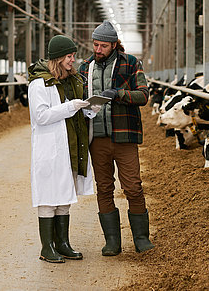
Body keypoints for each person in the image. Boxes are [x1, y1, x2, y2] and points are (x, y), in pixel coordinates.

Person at [78, 20, 154, 256]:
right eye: (95, 44)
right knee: (104, 188)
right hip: (97, 138)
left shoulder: (130, 63)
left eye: (102, 45)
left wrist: (118, 94)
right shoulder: (84, 68)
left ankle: (141, 239)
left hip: (124, 136)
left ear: (113, 45)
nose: (97, 49)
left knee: (133, 187)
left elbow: (143, 95)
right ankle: (112, 241)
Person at [28, 35, 100, 263]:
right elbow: (40, 117)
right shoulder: (39, 84)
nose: (73, 60)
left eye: (73, 56)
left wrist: (89, 109)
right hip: (50, 148)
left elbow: (74, 111)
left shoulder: (71, 81)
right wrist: (69, 107)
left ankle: (63, 244)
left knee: (64, 196)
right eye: (69, 56)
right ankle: (46, 248)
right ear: (58, 58)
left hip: (70, 146)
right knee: (49, 197)